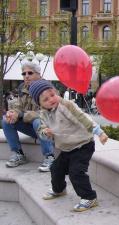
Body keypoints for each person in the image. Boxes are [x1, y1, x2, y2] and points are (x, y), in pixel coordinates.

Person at [28, 80, 108, 212]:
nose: (51, 99)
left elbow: (84, 118)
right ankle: (59, 190)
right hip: (66, 148)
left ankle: (89, 198)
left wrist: (99, 132)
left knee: (76, 172)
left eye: (52, 95)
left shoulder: (65, 105)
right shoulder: (42, 114)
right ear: (40, 103)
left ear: (56, 92)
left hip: (83, 145)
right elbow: (41, 131)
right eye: (45, 99)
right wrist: (45, 133)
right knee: (55, 168)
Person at [1, 62, 55, 171]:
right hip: (34, 129)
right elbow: (19, 106)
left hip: (50, 129)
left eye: (30, 73)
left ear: (38, 74)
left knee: (37, 121)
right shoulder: (23, 87)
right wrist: (14, 113)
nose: (26, 76)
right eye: (24, 73)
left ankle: (50, 157)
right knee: (7, 120)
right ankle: (18, 154)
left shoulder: (47, 88)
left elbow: (50, 112)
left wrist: (23, 115)